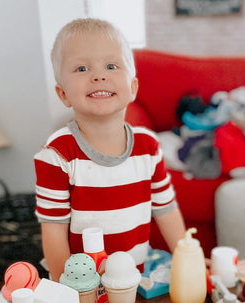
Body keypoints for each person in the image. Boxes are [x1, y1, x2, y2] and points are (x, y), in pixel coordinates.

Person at [34, 18, 186, 282]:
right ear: (63, 94)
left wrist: (189, 259)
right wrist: (69, 291)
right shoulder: (56, 155)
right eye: (82, 68)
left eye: (111, 66)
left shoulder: (148, 147)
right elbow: (54, 231)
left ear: (133, 88)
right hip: (81, 283)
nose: (98, 75)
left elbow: (167, 210)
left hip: (135, 277)